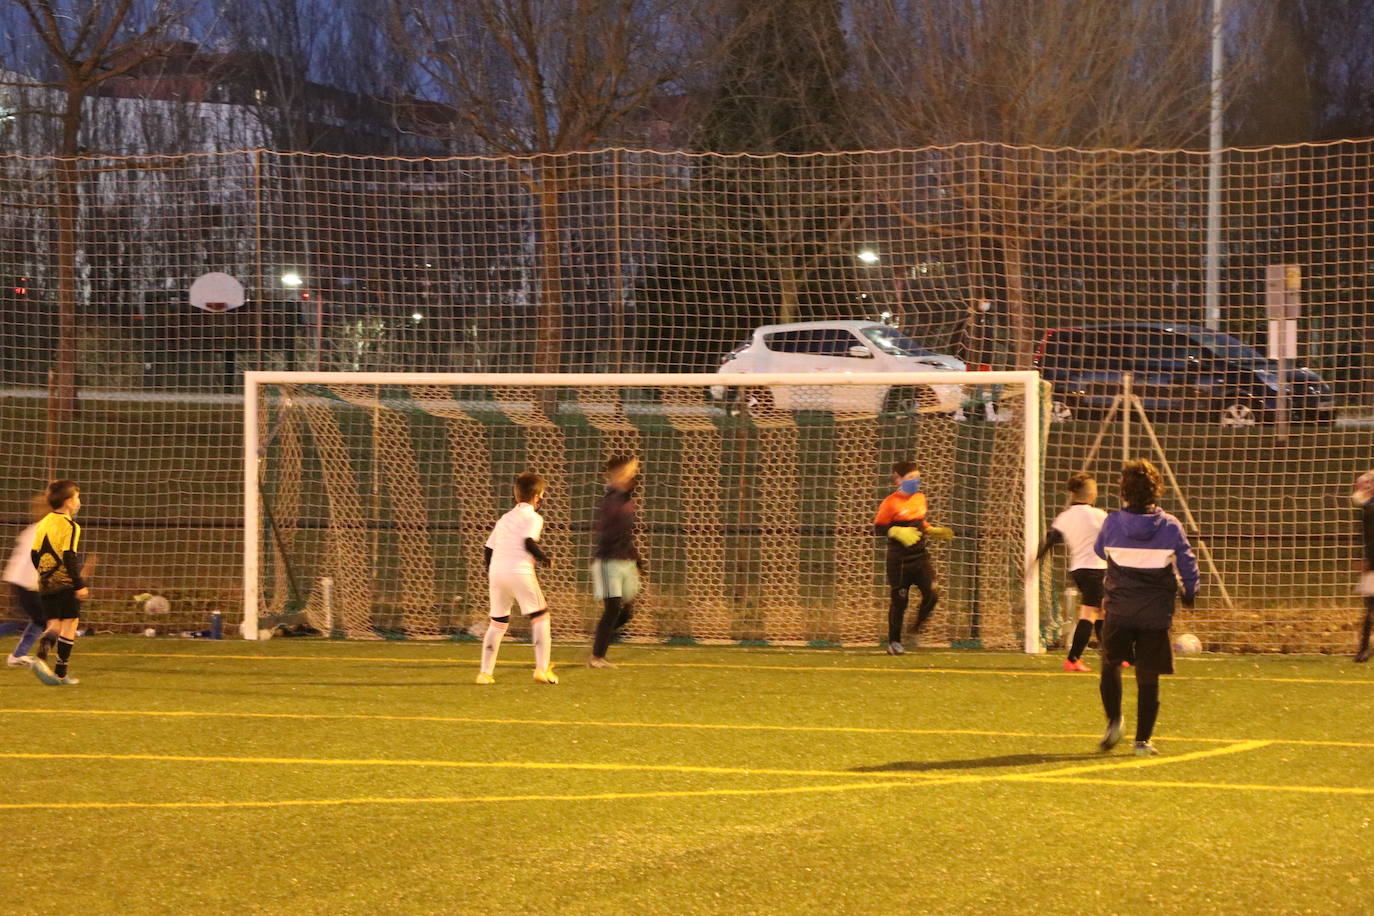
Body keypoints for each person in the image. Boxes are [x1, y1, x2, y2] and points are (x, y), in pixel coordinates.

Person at [1093, 460, 1198, 756]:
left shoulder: (1112, 523)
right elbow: (1188, 563)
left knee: (1110, 664)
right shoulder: (1170, 526)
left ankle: (1114, 721)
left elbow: (1100, 550)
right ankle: (1142, 741)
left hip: (1120, 609)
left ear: (1124, 492)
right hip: (1155, 613)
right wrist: (1191, 591)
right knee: (1148, 675)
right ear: (1157, 490)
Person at [477, 472, 557, 685]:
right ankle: (541, 669)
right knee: (541, 617)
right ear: (538, 496)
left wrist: (491, 572)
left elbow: (488, 548)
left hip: (497, 572)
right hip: (519, 571)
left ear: (516, 495)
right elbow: (528, 541)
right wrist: (545, 558)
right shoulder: (534, 517)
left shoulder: (505, 518)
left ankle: (485, 673)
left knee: (498, 623)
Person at [873, 461, 954, 655]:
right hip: (899, 561)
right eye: (910, 478)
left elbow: (920, 523)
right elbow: (879, 527)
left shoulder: (920, 498)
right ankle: (894, 642)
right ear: (898, 479)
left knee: (933, 593)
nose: (915, 481)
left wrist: (931, 530)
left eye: (917, 477)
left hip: (920, 557)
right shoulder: (890, 502)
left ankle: (917, 626)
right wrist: (896, 531)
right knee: (900, 602)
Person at [1031, 473, 1108, 672]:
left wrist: (1035, 562)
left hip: (1078, 570)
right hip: (1095, 570)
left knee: (1102, 612)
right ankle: (1073, 659)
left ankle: (1111, 655)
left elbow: (1050, 542)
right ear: (1091, 493)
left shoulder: (1064, 517)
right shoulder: (1098, 515)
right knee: (1090, 614)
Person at [30, 480, 88, 686]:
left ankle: (40, 658)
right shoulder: (71, 526)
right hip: (64, 581)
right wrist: (79, 583)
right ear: (68, 501)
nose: (79, 501)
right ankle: (61, 674)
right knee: (70, 623)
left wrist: (44, 575)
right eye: (77, 497)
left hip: (45, 582)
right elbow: (69, 556)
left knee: (54, 624)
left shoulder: (45, 521)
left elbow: (34, 553)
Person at [587, 456, 642, 669]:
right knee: (612, 608)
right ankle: (597, 656)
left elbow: (626, 533)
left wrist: (637, 560)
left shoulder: (626, 497)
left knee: (627, 611)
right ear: (619, 473)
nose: (635, 472)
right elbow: (609, 531)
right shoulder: (611, 499)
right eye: (631, 469)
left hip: (626, 560)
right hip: (608, 561)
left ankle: (599, 641)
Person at [5, 494, 49, 668]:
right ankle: (18, 655)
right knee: (38, 620)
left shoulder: (33, 529)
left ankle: (18, 655)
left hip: (20, 581)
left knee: (36, 620)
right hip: (26, 583)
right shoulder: (44, 530)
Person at [1351, 470, 1374, 663]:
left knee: (1370, 606)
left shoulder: (1369, 509)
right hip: (1373, 563)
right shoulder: (1368, 510)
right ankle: (1364, 648)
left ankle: (1364, 648)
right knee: (1369, 606)